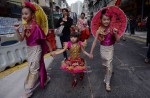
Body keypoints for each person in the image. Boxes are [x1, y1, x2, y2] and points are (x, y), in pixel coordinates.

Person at [14, 2, 52, 98]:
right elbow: (21, 39)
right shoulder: (24, 26)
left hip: (36, 49)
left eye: (26, 13)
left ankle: (28, 90)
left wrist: (51, 50)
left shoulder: (37, 27)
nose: (24, 16)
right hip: (29, 49)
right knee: (32, 67)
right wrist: (17, 30)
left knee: (33, 68)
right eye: (22, 14)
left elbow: (45, 39)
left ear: (32, 15)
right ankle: (45, 78)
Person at [89, 9, 120, 92]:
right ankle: (106, 75)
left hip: (110, 49)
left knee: (109, 66)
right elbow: (95, 41)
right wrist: (91, 53)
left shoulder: (112, 29)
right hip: (102, 49)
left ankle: (107, 83)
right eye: (104, 19)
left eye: (108, 19)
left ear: (110, 19)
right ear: (101, 20)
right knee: (105, 66)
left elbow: (118, 40)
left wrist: (116, 33)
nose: (106, 21)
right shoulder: (99, 30)